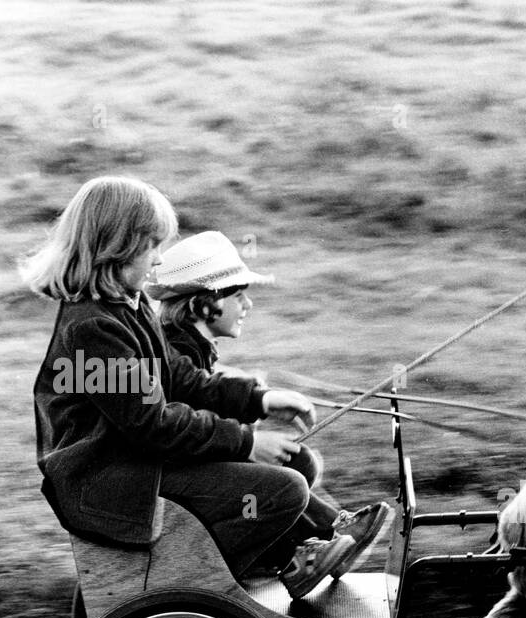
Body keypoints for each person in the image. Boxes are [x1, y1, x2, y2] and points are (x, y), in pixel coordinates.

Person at [23, 176, 372, 599]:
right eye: (151, 246)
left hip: (135, 464)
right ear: (117, 246)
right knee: (285, 487)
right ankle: (189, 586)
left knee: (293, 467)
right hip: (109, 481)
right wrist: (244, 443)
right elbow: (153, 424)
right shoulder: (93, 329)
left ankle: (302, 555)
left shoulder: (127, 308)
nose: (156, 262)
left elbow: (180, 378)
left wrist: (257, 399)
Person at [145, 231, 388, 562]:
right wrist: (252, 427)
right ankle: (314, 542)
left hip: (191, 458)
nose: (248, 304)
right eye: (238, 296)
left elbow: (203, 391)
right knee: (284, 478)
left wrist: (255, 396)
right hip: (178, 471)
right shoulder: (180, 347)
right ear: (204, 302)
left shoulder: (188, 345)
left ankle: (319, 537)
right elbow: (192, 403)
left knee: (297, 461)